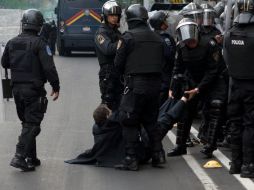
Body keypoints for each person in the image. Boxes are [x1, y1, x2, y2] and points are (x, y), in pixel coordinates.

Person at [1, 9, 60, 172]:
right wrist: (56, 86)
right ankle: (19, 156)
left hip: (16, 90)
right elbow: (49, 68)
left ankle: (30, 157)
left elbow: (4, 62)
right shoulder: (40, 43)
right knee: (33, 124)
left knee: (27, 123)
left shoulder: (12, 42)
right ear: (39, 26)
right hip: (33, 90)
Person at [114, 4, 165, 171]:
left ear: (129, 20)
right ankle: (158, 155)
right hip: (155, 86)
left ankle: (131, 158)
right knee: (150, 121)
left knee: (128, 120)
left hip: (136, 85)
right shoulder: (158, 38)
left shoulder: (128, 37)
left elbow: (118, 63)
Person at [167, 18, 227, 158]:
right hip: (194, 80)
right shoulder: (181, 47)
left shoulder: (210, 44)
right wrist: (172, 87)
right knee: (185, 108)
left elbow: (213, 70)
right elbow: (177, 68)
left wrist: (199, 89)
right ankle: (180, 145)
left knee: (216, 106)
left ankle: (210, 145)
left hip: (214, 81)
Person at [224, 0, 254, 178]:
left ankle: (235, 163)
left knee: (235, 123)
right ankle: (248, 165)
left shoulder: (229, 34)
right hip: (252, 86)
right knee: (250, 125)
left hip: (234, 85)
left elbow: (226, 58)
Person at [94, 0, 123, 111]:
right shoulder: (100, 33)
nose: (114, 17)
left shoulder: (118, 33)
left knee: (120, 105)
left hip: (119, 72)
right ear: (105, 16)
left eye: (116, 15)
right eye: (111, 15)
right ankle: (102, 128)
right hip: (108, 73)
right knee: (107, 105)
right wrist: (122, 43)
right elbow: (108, 49)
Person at [149, 11, 176, 106]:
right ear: (160, 23)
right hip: (165, 76)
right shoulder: (166, 38)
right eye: (165, 20)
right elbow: (171, 56)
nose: (167, 22)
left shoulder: (149, 35)